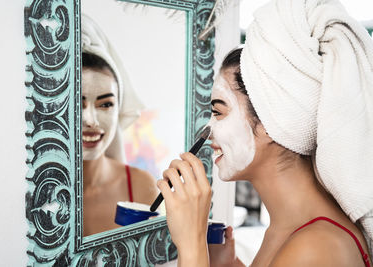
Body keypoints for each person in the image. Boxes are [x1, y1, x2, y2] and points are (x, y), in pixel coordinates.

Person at [157, 0, 373, 266]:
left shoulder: (316, 247)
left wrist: (192, 245)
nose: (208, 129)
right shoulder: (289, 229)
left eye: (219, 112)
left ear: (273, 121)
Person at [81, 14, 158, 236]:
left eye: (105, 104)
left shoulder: (142, 186)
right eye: (79, 103)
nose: (92, 121)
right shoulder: (34, 193)